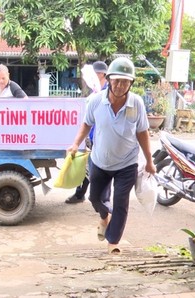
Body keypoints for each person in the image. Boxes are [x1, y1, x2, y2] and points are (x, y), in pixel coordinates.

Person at [67, 57, 156, 254]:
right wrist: (75, 143)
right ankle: (104, 216)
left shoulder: (137, 103)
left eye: (125, 81)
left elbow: (143, 133)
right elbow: (86, 124)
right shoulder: (96, 101)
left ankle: (113, 243)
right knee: (95, 198)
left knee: (122, 203)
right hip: (100, 161)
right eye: (116, 80)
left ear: (130, 83)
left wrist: (149, 161)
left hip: (127, 163)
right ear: (108, 79)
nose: (120, 85)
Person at [65, 61, 108, 204]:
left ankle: (101, 199)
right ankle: (80, 194)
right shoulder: (95, 91)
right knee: (88, 165)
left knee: (99, 168)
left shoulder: (107, 91)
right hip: (91, 135)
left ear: (101, 74)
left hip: (102, 137)